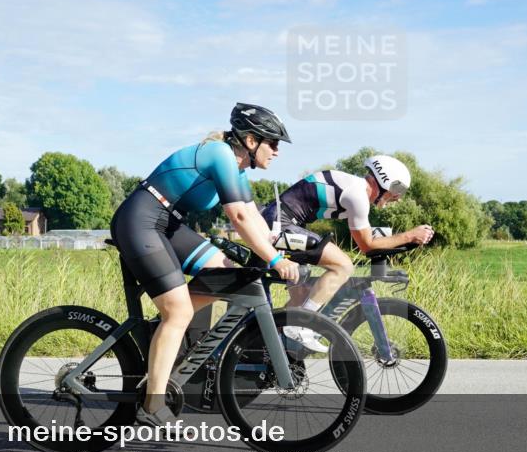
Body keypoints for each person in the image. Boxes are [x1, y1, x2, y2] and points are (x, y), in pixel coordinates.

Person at [110, 103, 300, 426]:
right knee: (180, 311)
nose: (278, 151)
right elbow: (237, 216)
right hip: (140, 220)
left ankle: (164, 333)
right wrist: (275, 260)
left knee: (226, 272)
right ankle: (152, 405)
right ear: (251, 141)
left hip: (166, 224)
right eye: (274, 143)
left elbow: (252, 215)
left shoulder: (237, 169)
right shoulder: (220, 154)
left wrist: (280, 248)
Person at [260, 155, 434, 352]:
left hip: (279, 221)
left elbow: (368, 236)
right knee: (343, 265)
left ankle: (264, 345)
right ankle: (303, 324)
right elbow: (366, 245)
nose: (399, 197)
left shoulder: (355, 190)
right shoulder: (357, 195)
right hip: (280, 224)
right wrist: (409, 235)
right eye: (397, 189)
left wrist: (402, 238)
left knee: (302, 295)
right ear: (384, 180)